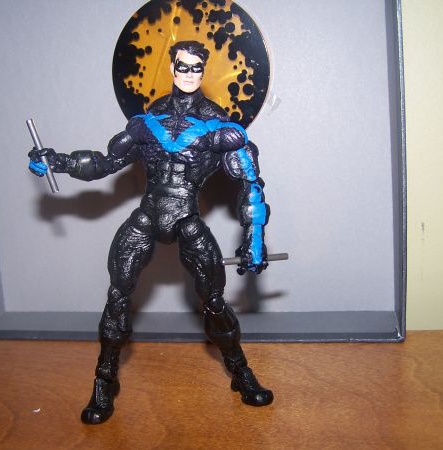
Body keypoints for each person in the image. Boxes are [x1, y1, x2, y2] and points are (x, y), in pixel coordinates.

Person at [29, 40, 273, 425]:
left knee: (214, 301)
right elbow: (105, 162)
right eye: (182, 66)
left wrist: (254, 237)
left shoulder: (219, 125)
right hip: (147, 214)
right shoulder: (148, 121)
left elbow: (251, 183)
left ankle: (240, 372)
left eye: (196, 68)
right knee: (117, 297)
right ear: (172, 67)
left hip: (187, 217)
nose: (188, 74)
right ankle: (104, 382)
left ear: (204, 71)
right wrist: (57, 161)